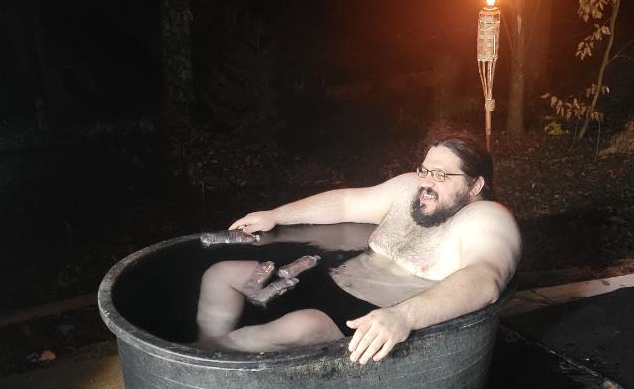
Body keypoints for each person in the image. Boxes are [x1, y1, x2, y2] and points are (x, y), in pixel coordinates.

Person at [195, 137, 522, 364]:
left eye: (440, 175)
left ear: (475, 185)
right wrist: (275, 215)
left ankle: (192, 363)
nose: (426, 182)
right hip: (329, 279)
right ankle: (207, 346)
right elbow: (345, 204)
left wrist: (402, 317)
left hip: (369, 319)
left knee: (298, 326)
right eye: (425, 170)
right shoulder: (411, 191)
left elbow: (486, 279)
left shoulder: (488, 218)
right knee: (221, 275)